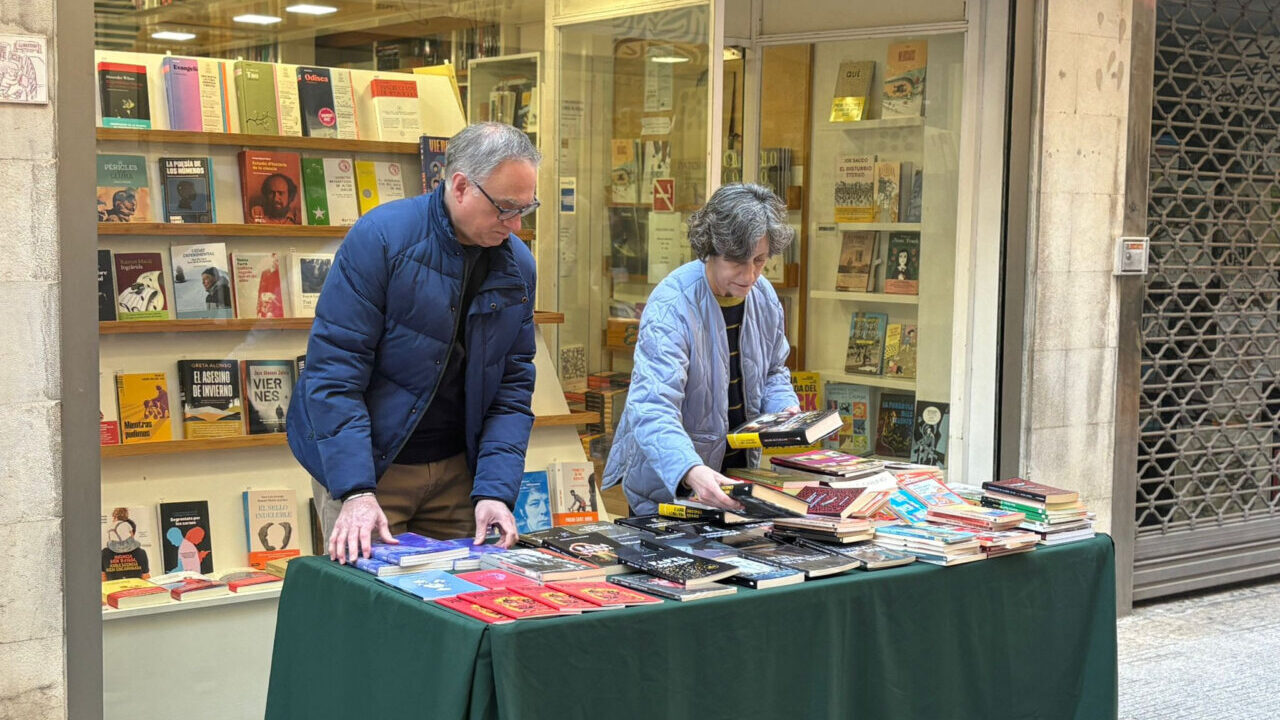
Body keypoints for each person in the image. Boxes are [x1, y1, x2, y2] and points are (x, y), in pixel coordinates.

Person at [286, 122, 540, 563]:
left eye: (526, 209)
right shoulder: (380, 240)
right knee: (375, 617)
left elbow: (512, 389)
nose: (515, 225)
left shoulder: (518, 266)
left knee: (461, 614)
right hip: (371, 471)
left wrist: (496, 490)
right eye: (505, 208)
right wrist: (356, 489)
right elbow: (333, 374)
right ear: (460, 186)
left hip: (459, 475)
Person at [601, 183, 800, 515]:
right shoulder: (672, 305)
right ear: (711, 248)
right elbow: (652, 408)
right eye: (738, 261)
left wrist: (785, 411)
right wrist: (690, 472)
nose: (750, 274)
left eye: (760, 260)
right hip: (669, 489)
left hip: (735, 477)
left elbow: (773, 371)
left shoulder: (763, 296)